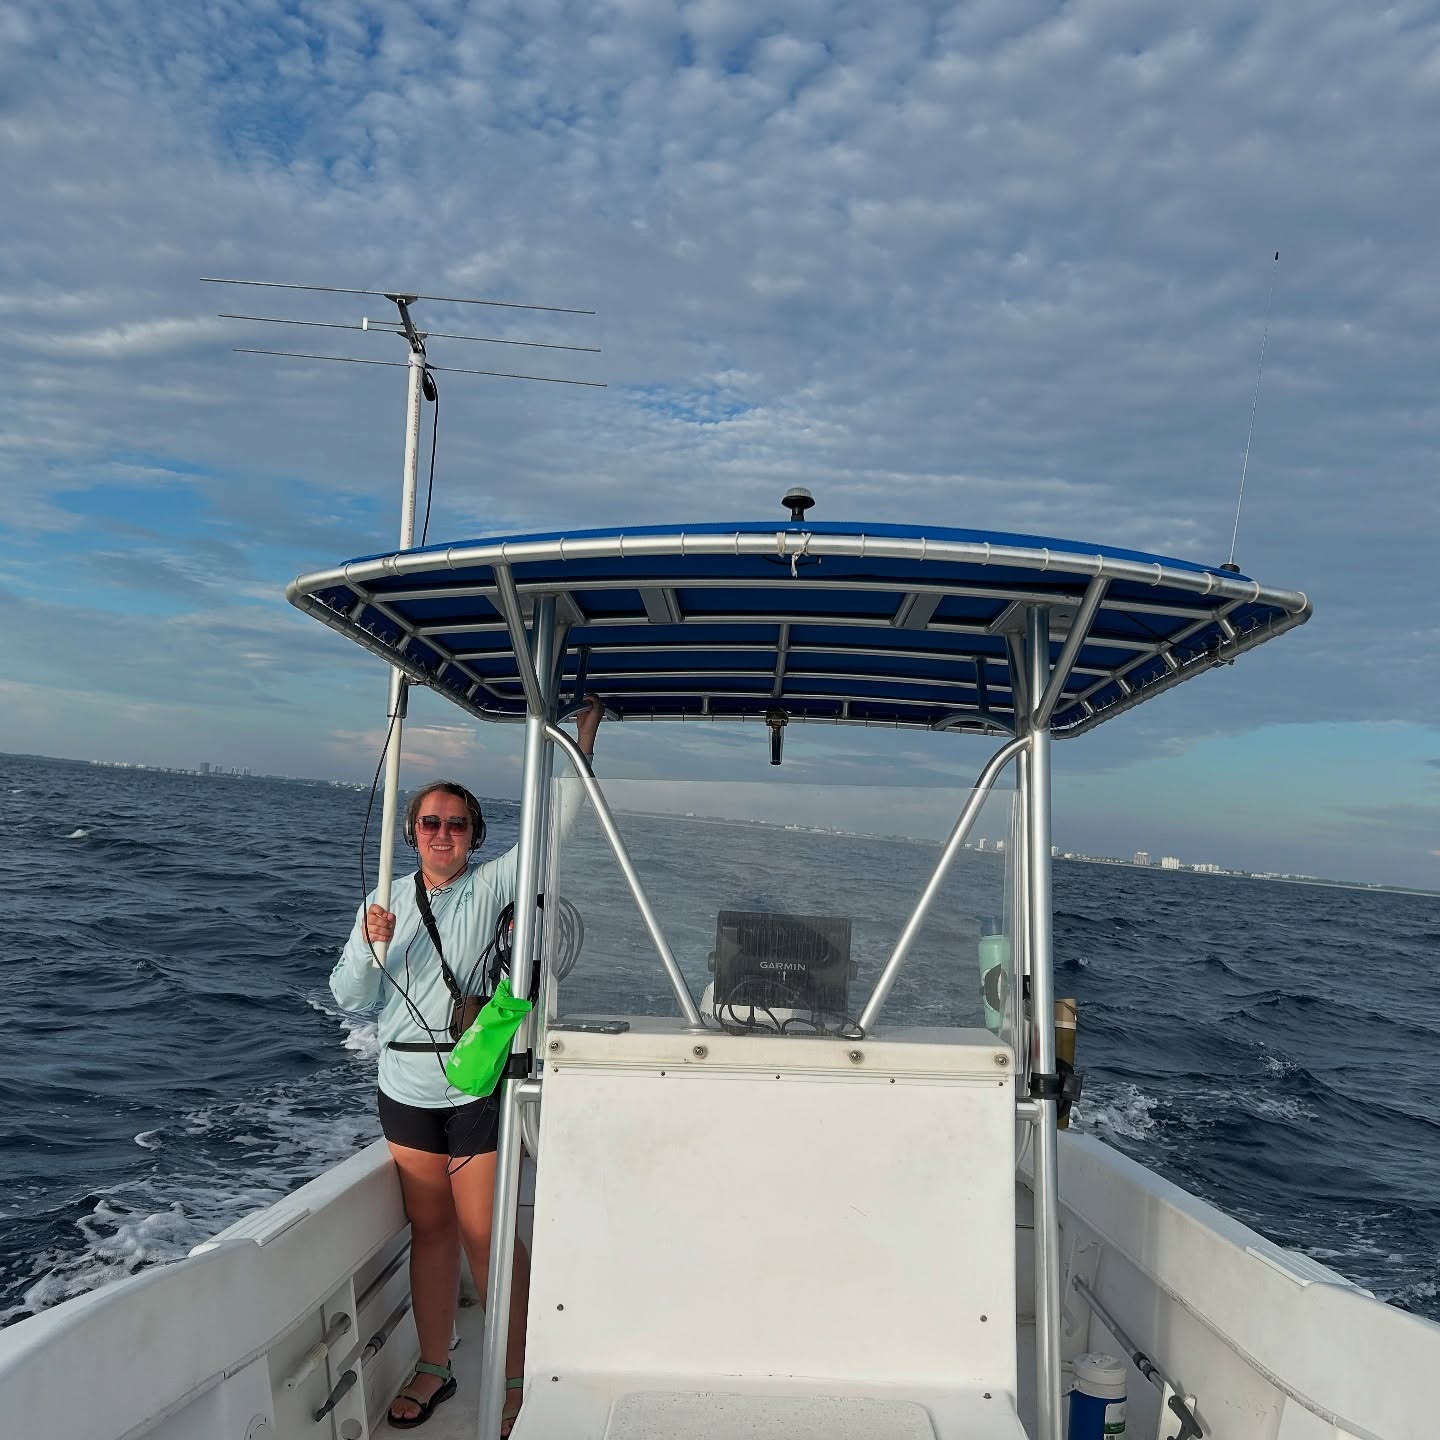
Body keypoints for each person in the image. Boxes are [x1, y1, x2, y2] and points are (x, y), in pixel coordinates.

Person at [330, 696, 603, 1431]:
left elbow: (553, 832)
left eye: (456, 824)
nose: (442, 834)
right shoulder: (381, 902)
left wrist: (580, 742)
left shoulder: (490, 888)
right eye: (429, 823)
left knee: (483, 1234)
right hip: (404, 1086)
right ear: (412, 832)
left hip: (477, 1083)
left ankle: (517, 1378)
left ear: (474, 836)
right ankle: (433, 1364)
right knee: (433, 1231)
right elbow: (350, 996)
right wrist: (369, 942)